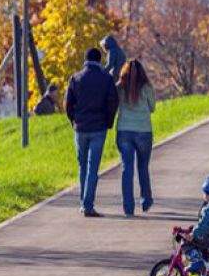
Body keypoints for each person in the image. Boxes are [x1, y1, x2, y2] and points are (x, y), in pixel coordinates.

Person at [65, 47, 119, 217]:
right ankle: (88, 204)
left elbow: (68, 104)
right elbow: (113, 101)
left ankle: (83, 201)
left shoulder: (75, 78)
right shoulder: (107, 78)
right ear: (99, 60)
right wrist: (108, 122)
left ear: (85, 59)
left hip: (80, 127)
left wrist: (73, 120)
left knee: (82, 165)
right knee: (92, 167)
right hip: (98, 127)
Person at [116, 60, 156, 216]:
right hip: (144, 131)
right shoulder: (146, 87)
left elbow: (114, 105)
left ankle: (128, 207)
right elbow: (152, 107)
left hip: (124, 130)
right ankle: (146, 200)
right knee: (143, 167)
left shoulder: (120, 87)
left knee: (127, 169)